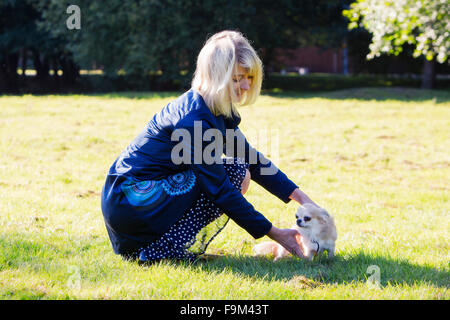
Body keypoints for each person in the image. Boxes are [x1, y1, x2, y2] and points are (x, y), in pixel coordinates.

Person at [100, 30, 320, 263]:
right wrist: (276, 234)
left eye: (250, 77)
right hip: (130, 199)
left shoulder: (214, 108)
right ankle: (158, 251)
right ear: (216, 76)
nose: (246, 85)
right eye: (237, 78)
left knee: (240, 169)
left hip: (137, 199)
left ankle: (162, 249)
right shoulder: (193, 119)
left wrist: (306, 201)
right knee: (234, 174)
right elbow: (220, 190)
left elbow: (252, 159)